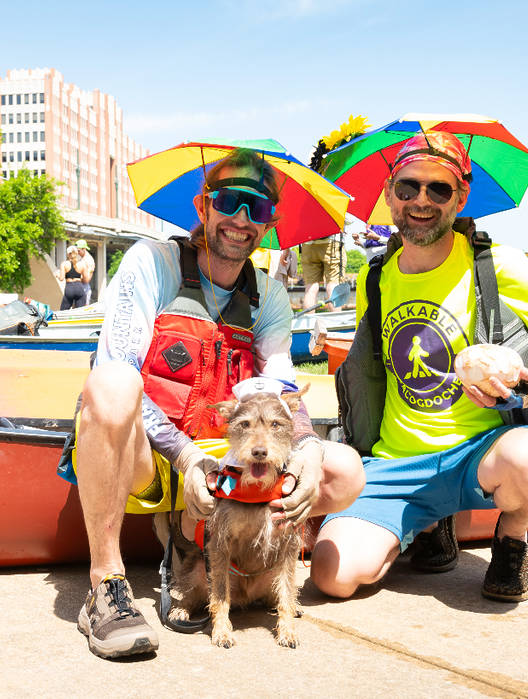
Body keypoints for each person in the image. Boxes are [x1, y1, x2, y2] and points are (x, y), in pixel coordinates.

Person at [62, 148, 364, 660]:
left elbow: (281, 386)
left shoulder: (266, 295)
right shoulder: (151, 263)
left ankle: (197, 543)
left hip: (226, 470)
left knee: (345, 471)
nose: (242, 220)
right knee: (111, 382)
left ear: (269, 224)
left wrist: (310, 451)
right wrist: (187, 458)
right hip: (153, 462)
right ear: (203, 206)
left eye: (259, 210)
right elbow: (118, 369)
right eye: (229, 202)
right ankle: (106, 584)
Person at [310, 131, 528, 603]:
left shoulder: (499, 265)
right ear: (389, 195)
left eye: (439, 189)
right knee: (332, 577)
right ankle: (425, 523)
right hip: (395, 462)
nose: (421, 200)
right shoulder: (375, 275)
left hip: (480, 454)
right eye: (407, 188)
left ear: (461, 197)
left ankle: (512, 535)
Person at [300, 234, 344, 312]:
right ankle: (336, 320)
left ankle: (309, 322)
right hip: (332, 243)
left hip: (308, 243)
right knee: (333, 284)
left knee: (310, 287)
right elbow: (348, 221)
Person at [56, 246, 92, 310]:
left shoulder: (64, 264)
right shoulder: (82, 264)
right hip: (79, 288)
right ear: (77, 253)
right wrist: (80, 278)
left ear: (67, 254)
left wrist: (57, 276)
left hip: (69, 288)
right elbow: (86, 280)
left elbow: (61, 278)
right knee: (80, 312)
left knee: (63, 311)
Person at [74, 239, 96, 304]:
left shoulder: (88, 260)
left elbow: (87, 279)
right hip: (80, 289)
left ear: (84, 249)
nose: (77, 253)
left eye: (78, 251)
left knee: (82, 311)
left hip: (84, 290)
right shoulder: (82, 259)